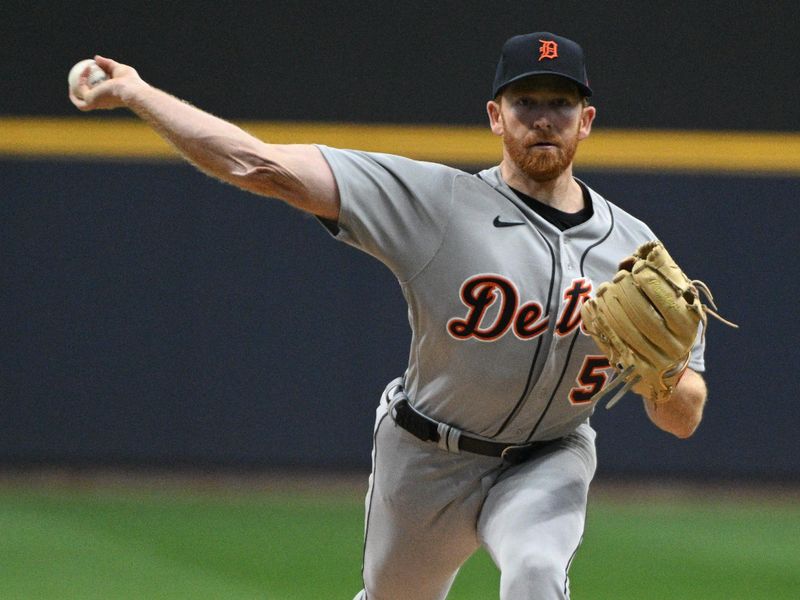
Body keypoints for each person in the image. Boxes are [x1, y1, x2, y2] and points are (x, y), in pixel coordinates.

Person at [70, 32, 709, 600]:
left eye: (561, 104)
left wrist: (663, 378)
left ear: (587, 120)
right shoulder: (439, 203)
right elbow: (259, 164)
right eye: (526, 103)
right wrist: (138, 92)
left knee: (537, 572)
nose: (544, 119)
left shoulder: (636, 251)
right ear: (496, 116)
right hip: (428, 456)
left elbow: (683, 417)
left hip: (551, 455)